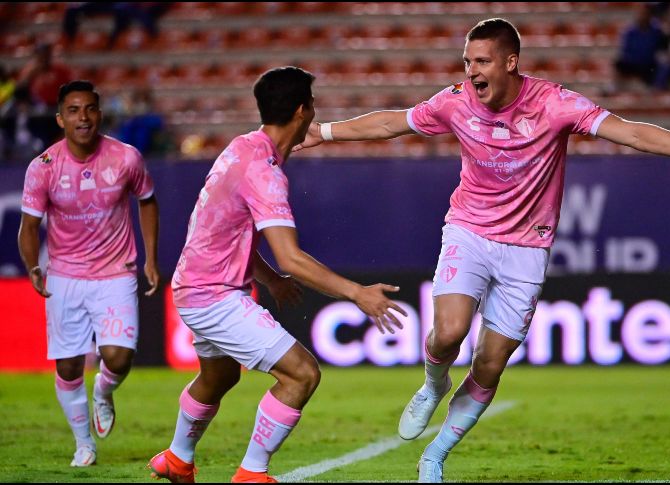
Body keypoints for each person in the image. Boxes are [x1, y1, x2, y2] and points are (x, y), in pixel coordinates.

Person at [294, 18, 670, 483]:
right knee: (448, 333)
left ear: (511, 63)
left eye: (482, 61)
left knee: (490, 365)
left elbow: (629, 131)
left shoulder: (555, 104)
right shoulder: (455, 102)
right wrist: (323, 132)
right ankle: (433, 384)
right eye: (468, 61)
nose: (472, 71)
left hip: (527, 249)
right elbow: (392, 122)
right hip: (469, 232)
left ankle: (435, 455)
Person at [147, 66, 406, 483]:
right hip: (213, 295)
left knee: (220, 374)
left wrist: (266, 279)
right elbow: (292, 258)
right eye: (313, 107)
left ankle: (177, 458)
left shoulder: (241, 147)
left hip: (194, 285)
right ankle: (252, 473)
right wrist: (357, 293)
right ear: (303, 110)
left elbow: (225, 230)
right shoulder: (264, 173)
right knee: (301, 374)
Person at [17, 80, 160, 467]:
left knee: (118, 357)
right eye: (75, 111)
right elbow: (28, 227)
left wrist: (150, 257)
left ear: (100, 113)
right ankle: (84, 444)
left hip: (116, 271)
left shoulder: (126, 158)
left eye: (90, 109)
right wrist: (33, 266)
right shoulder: (43, 168)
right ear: (61, 118)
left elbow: (147, 201)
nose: (84, 117)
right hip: (64, 276)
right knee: (67, 365)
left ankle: (104, 391)